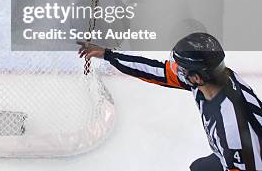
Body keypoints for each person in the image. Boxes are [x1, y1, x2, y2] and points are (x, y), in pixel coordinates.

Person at [79, 33, 262, 171]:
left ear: (197, 77)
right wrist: (108, 55)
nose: (176, 71)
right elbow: (158, 71)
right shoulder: (215, 78)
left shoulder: (231, 128)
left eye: (181, 69)